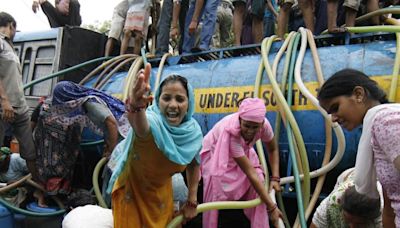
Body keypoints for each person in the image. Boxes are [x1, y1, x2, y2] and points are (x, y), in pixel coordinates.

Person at [107, 64, 203, 227]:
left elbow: (194, 165)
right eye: (166, 98)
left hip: (161, 194)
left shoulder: (192, 134)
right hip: (132, 194)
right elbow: (140, 127)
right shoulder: (152, 122)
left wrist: (192, 200)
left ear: (189, 104)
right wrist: (137, 107)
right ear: (158, 101)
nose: (173, 105)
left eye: (180, 99)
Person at [317, 68, 400, 227]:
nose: (333, 119)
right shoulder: (375, 130)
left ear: (358, 94)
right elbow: (390, 205)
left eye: (335, 107)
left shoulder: (385, 122)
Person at [33, 81, 129, 196]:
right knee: (109, 177)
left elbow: (111, 123)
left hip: (125, 140)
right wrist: (107, 146)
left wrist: (111, 151)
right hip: (119, 140)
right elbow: (106, 129)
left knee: (117, 178)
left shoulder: (90, 103)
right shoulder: (85, 105)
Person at [200, 97, 282, 227]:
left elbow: (272, 149)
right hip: (216, 154)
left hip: (244, 151)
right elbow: (250, 173)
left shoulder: (265, 126)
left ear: (262, 124)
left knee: (260, 182)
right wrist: (272, 207)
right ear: (240, 120)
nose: (250, 131)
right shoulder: (232, 134)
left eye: (255, 127)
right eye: (246, 125)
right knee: (214, 190)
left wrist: (275, 178)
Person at [0, 11, 39, 188]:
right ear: (11, 25)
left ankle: (40, 188)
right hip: (4, 107)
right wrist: (4, 101)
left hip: (20, 108)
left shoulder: (10, 47)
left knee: (30, 152)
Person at [311, 168, 383, 228]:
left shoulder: (383, 215)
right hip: (350, 175)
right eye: (348, 219)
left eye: (359, 224)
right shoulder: (332, 204)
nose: (352, 227)